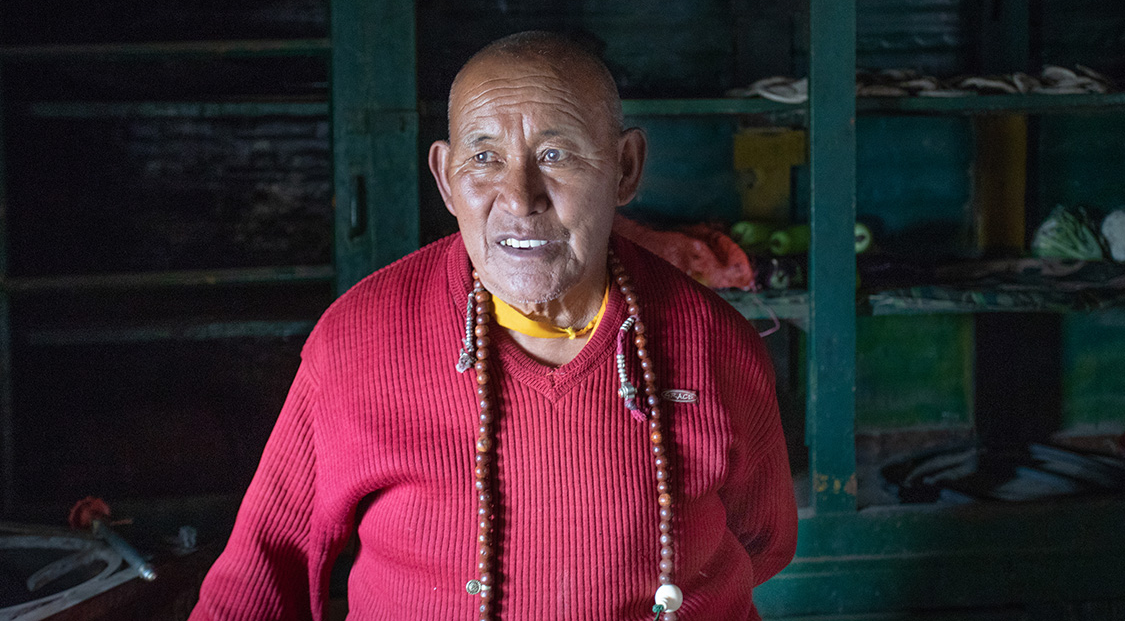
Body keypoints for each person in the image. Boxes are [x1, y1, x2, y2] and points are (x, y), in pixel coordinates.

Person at [189, 31, 797, 620]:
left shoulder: (713, 343)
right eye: (484, 158)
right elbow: (265, 571)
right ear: (446, 177)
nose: (520, 196)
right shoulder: (360, 337)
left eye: (556, 155)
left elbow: (761, 543)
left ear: (626, 168)